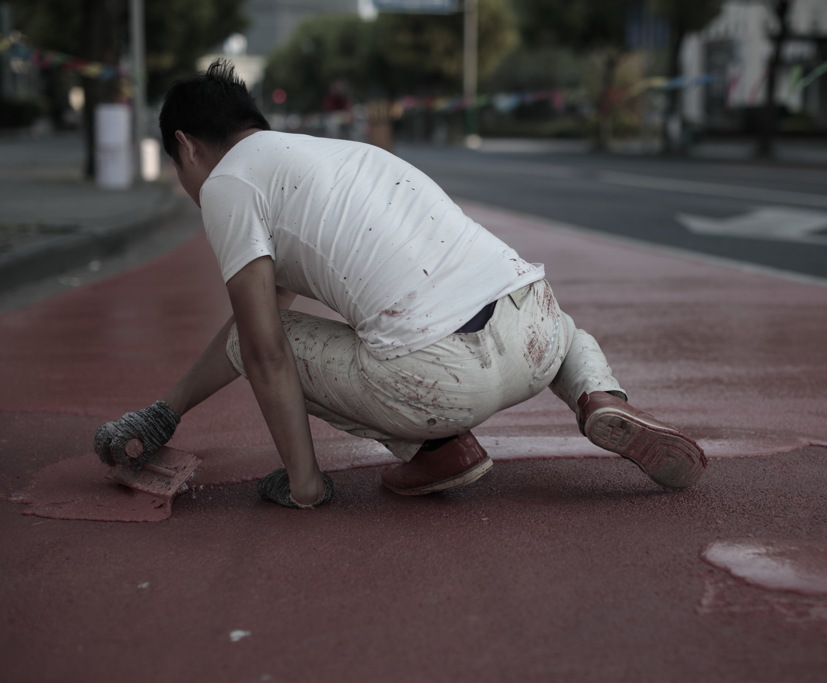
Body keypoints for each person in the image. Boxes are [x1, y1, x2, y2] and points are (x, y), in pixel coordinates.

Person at [93, 61, 707, 509]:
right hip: (535, 336)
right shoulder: (330, 155)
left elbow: (258, 346)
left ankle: (434, 449)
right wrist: (163, 415)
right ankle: (599, 400)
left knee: (258, 342)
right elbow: (269, 316)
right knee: (557, 325)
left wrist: (304, 483)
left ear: (186, 147)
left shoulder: (229, 182)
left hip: (440, 382)